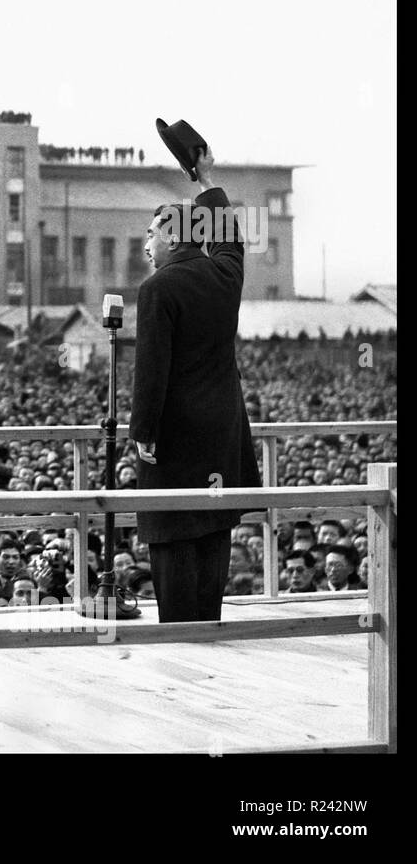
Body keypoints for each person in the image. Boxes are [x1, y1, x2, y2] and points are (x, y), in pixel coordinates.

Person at [129, 146, 261, 622]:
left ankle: (180, 643)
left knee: (173, 539)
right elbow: (230, 239)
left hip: (176, 439)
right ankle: (209, 636)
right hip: (222, 437)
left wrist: (142, 431)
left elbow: (152, 369)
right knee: (213, 535)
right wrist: (205, 179)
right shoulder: (224, 273)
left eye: (150, 234)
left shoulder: (158, 288)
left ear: (172, 237)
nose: (145, 244)